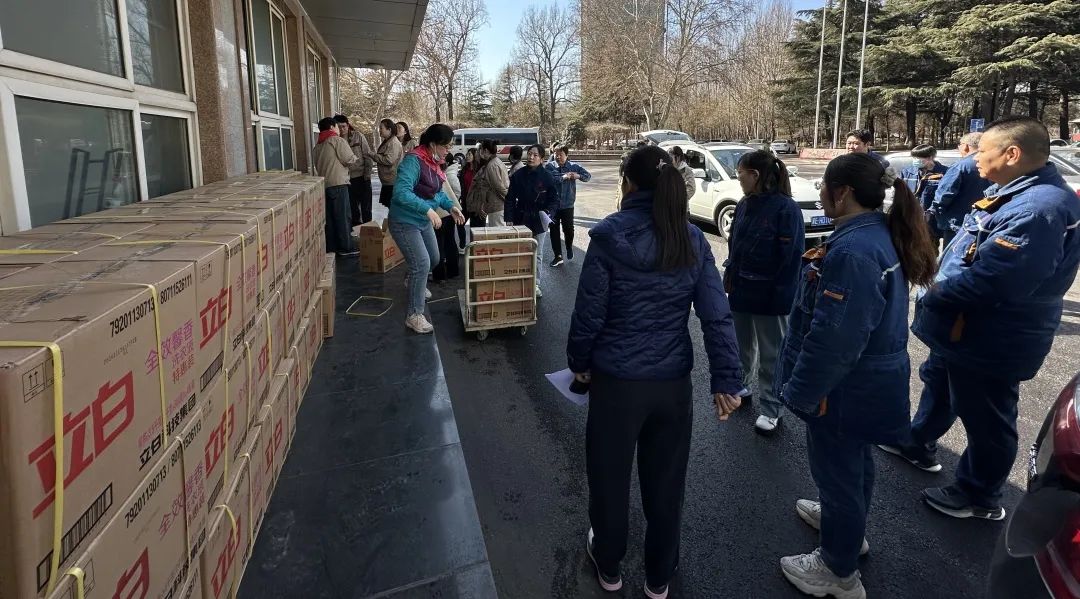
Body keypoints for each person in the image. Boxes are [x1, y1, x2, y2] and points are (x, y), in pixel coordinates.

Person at [881, 116, 1080, 521]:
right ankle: (916, 443)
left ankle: (979, 495)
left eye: (982, 151)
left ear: (1012, 154)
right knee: (941, 383)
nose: (973, 159)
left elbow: (995, 282)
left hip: (991, 336)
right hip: (965, 332)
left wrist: (931, 292)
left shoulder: (1038, 209)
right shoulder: (1017, 193)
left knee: (987, 416)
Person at [567, 145, 743, 599]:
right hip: (671, 385)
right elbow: (716, 315)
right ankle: (659, 577)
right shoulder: (691, 238)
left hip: (617, 384)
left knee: (609, 477)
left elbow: (589, 313)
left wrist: (579, 365)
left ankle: (609, 566)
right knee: (666, 484)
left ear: (628, 183)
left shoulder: (608, 236)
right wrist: (726, 379)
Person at [777, 152, 938, 599]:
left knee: (839, 474)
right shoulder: (875, 233)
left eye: (824, 188)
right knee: (853, 464)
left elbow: (835, 339)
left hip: (845, 388)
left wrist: (800, 392)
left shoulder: (853, 251)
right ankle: (845, 529)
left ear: (842, 193)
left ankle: (837, 569)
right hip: (868, 381)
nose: (820, 195)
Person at [723, 150, 804, 435]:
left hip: (771, 295)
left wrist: (781, 296)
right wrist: (730, 278)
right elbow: (735, 247)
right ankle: (742, 386)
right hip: (741, 290)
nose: (739, 180)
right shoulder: (745, 203)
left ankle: (771, 408)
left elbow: (791, 259)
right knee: (740, 345)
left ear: (755, 175)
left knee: (772, 355)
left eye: (740, 175)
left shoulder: (786, 209)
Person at [389, 123, 465, 334]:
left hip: (422, 221)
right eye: (446, 146)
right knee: (421, 264)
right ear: (432, 144)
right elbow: (401, 193)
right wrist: (428, 210)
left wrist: (450, 207)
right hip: (405, 221)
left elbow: (437, 192)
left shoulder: (434, 162)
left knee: (433, 258)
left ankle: (412, 279)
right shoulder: (413, 161)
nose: (448, 150)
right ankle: (414, 315)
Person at [505, 144, 558, 298]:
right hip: (520, 217)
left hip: (539, 218)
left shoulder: (547, 176)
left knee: (537, 252)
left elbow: (554, 199)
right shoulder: (518, 175)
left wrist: (549, 213)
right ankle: (519, 280)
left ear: (542, 159)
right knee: (519, 251)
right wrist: (509, 218)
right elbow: (509, 198)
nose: (531, 157)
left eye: (535, 155)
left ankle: (535, 284)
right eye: (529, 154)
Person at [928, 132, 991, 247]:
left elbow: (944, 195)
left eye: (959, 144)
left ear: (966, 146)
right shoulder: (992, 163)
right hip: (985, 221)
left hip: (958, 224)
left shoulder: (960, 166)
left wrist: (934, 212)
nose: (958, 148)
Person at [313, 117, 359, 256]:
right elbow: (349, 159)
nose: (339, 129)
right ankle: (345, 248)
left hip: (325, 186)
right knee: (343, 217)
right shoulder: (336, 140)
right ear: (332, 127)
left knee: (330, 219)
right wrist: (356, 158)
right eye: (337, 126)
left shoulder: (318, 145)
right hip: (338, 184)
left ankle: (332, 248)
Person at [544, 145, 591, 266]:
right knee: (554, 230)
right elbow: (551, 179)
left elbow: (588, 176)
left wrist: (578, 176)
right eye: (556, 154)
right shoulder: (550, 166)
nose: (558, 157)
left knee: (568, 229)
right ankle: (558, 256)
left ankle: (569, 246)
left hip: (568, 204)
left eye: (561, 155)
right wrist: (565, 177)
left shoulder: (573, 166)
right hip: (553, 206)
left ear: (567, 155)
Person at [334, 114, 375, 226]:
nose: (342, 129)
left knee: (366, 208)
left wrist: (367, 176)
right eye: (339, 127)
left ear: (348, 125)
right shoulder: (336, 140)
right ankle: (356, 232)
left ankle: (369, 231)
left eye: (344, 126)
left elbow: (367, 155)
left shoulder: (358, 136)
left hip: (362, 177)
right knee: (352, 209)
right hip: (346, 180)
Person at [466, 139, 510, 227]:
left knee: (497, 233)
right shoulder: (495, 162)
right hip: (495, 206)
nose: (479, 152)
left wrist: (509, 201)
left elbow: (499, 187)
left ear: (485, 150)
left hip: (496, 206)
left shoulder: (492, 165)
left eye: (480, 149)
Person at [432, 157, 463, 281]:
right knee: (450, 241)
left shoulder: (430, 171)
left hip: (439, 212)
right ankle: (453, 271)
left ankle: (439, 276)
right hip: (450, 211)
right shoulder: (440, 171)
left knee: (438, 244)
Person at [372, 119, 403, 208]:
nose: (379, 130)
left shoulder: (393, 142)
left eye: (381, 128)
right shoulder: (388, 141)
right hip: (388, 181)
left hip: (392, 181)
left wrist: (373, 155)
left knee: (394, 208)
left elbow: (389, 160)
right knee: (391, 207)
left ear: (389, 129)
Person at [457, 148, 479, 252]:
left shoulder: (479, 170)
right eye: (467, 154)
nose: (467, 156)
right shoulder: (464, 169)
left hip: (475, 203)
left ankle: (475, 249)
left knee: (475, 228)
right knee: (460, 222)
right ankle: (462, 245)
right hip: (465, 201)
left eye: (470, 154)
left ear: (475, 156)